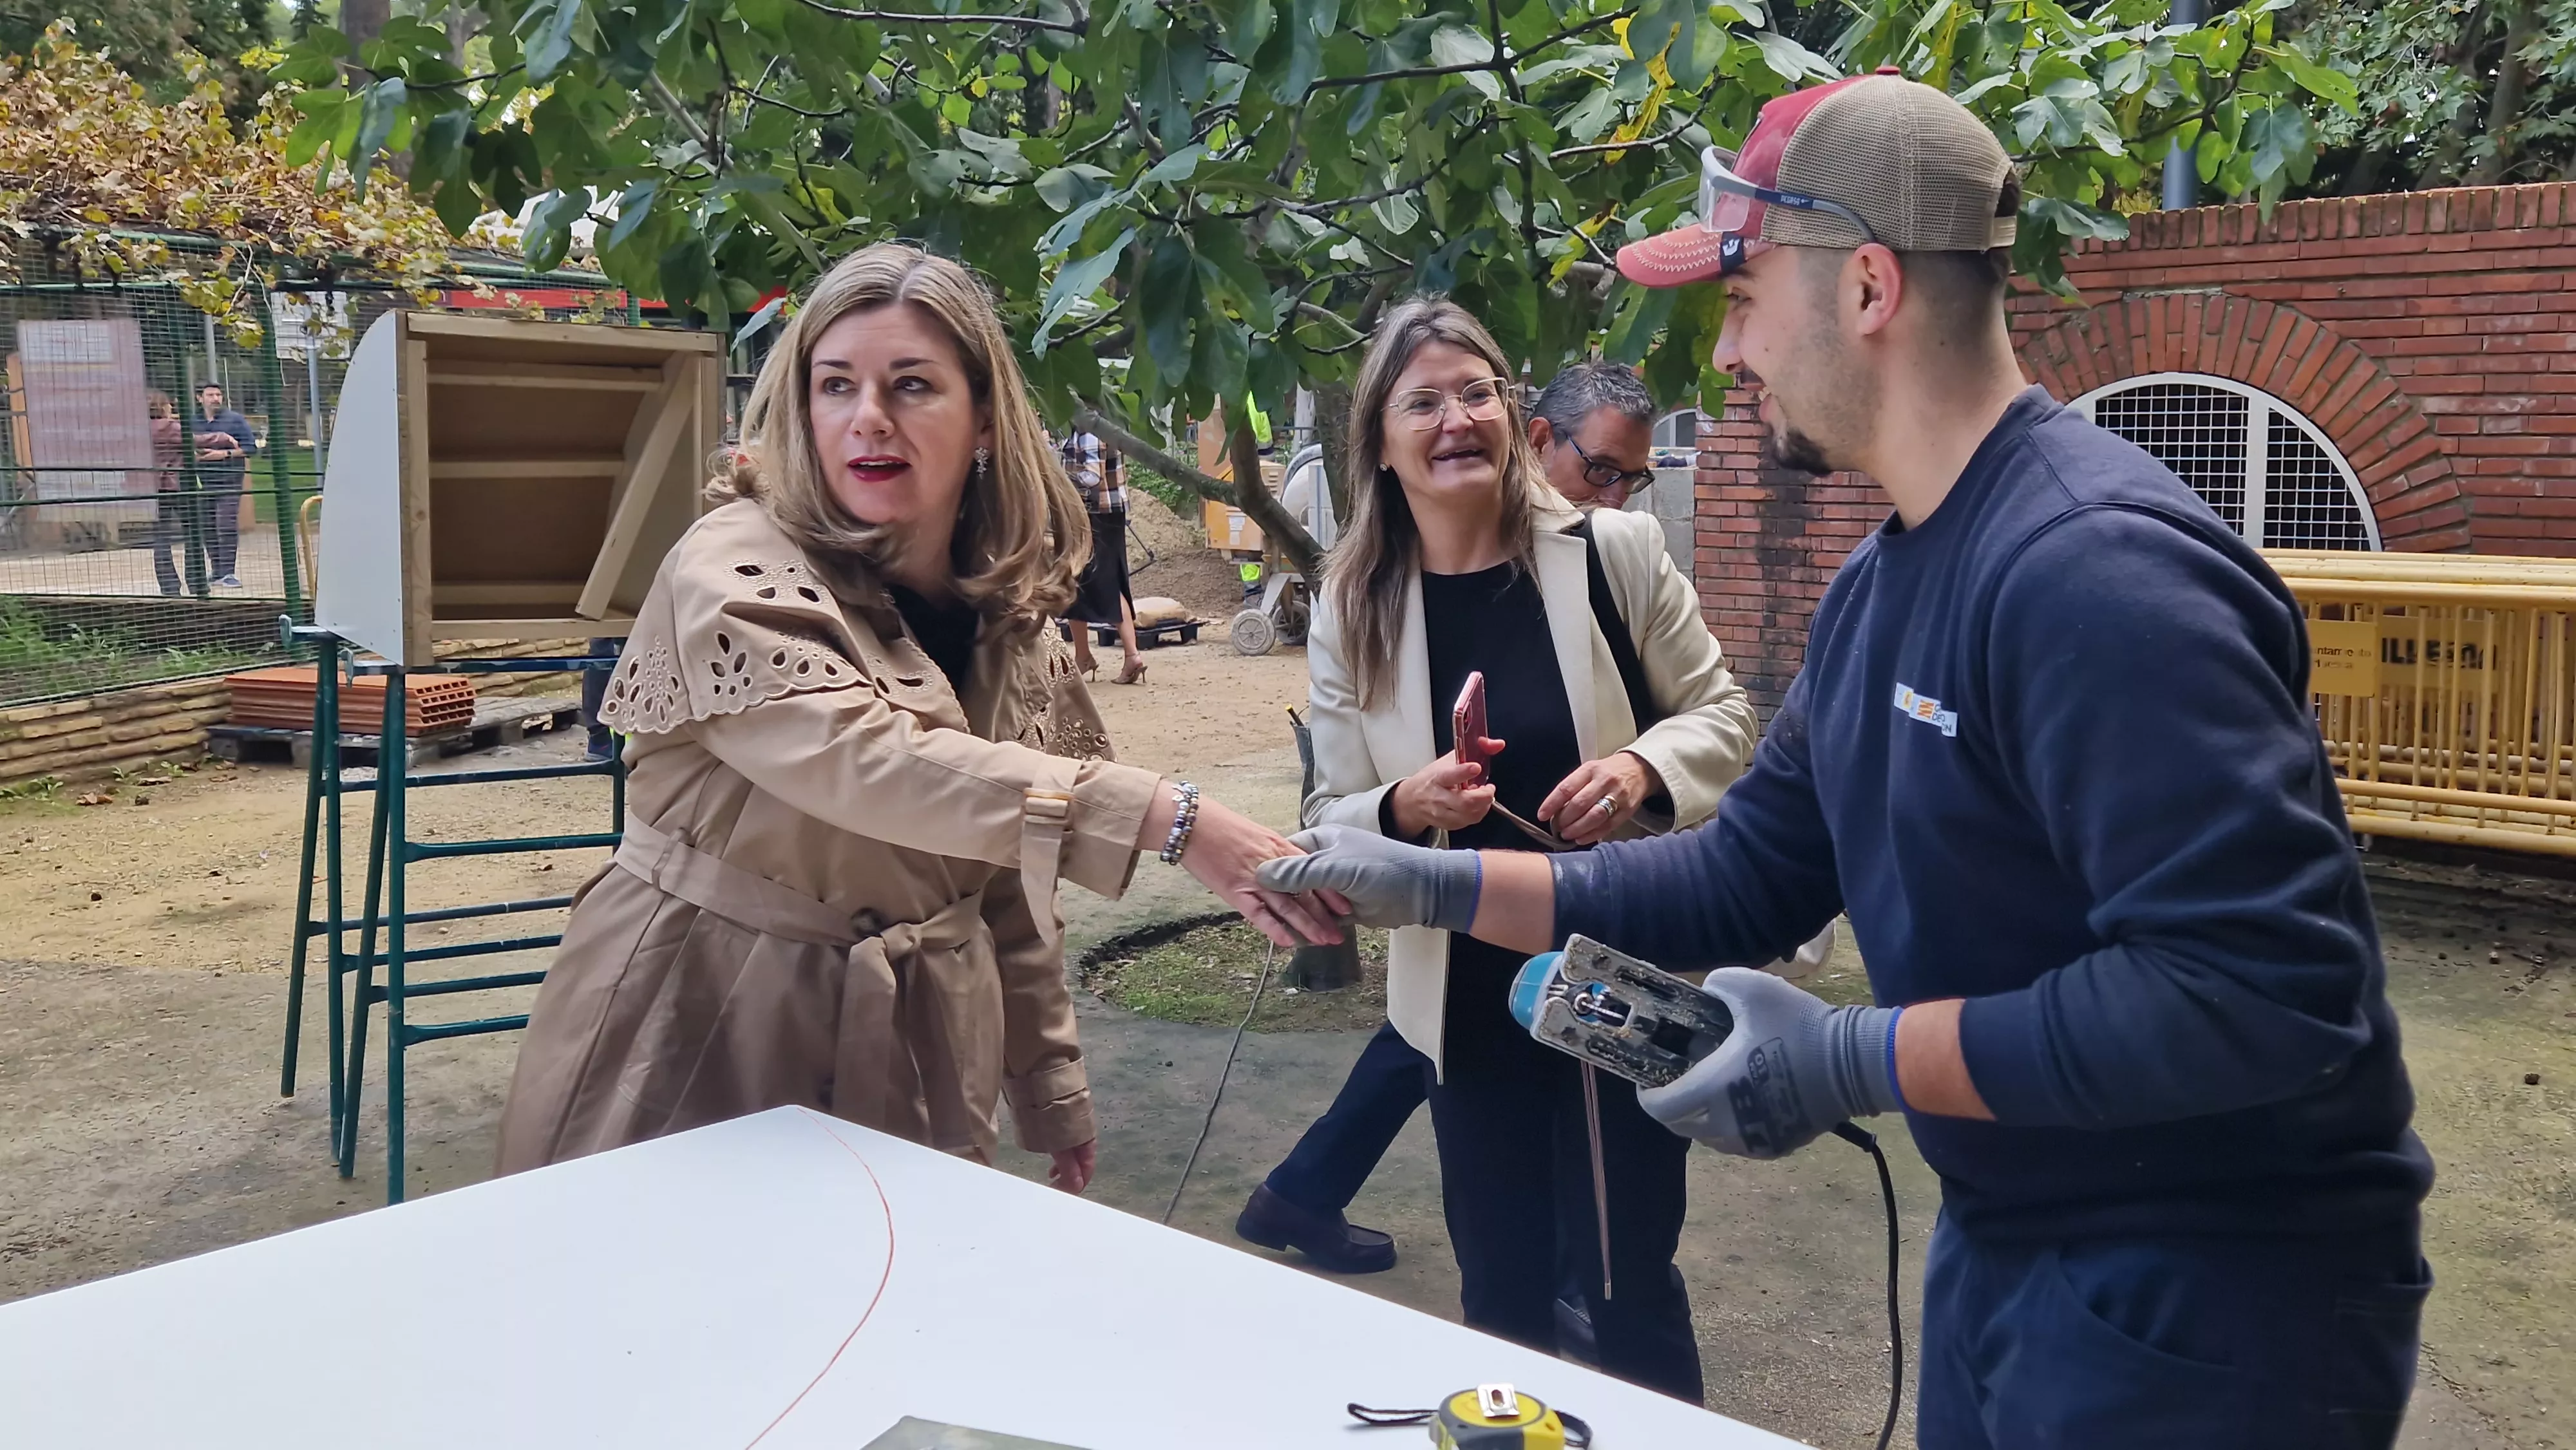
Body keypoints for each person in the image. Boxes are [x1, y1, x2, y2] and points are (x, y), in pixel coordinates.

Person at [1260, 72, 2434, 1450]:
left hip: (2211, 1290)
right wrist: (1429, 882)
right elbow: (1740, 874)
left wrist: (1852, 1058)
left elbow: (2256, 996)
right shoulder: (1882, 585)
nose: (1730, 347)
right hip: (2011, 1232)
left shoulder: (2093, 573)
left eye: (1743, 295)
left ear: (1866, 287)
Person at [496, 243, 1345, 1184]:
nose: (869, 419)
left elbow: (1008, 884)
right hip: (697, 1027)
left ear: (983, 418)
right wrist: (1167, 819)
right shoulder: (732, 566)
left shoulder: (1006, 610)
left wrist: (1049, 1083)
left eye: (911, 386)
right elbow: (865, 760)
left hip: (917, 1046)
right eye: (835, 386)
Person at [1255, 298, 1757, 1403]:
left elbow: (1723, 715)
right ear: (1380, 441)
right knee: (1502, 1301)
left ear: (1512, 411)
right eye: (1421, 401)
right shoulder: (1354, 600)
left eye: (1476, 391)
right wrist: (1409, 804)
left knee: (1630, 1291)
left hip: (1617, 978)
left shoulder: (1612, 552)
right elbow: (1334, 813)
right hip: (1466, 1003)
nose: (1455, 419)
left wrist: (1640, 772)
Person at [1060, 429, 1146, 684]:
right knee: (1079, 580)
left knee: (1098, 581)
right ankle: (1085, 655)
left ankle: (1130, 656)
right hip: (1102, 514)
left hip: (1095, 514)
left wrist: (1058, 476)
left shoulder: (1090, 431)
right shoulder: (1097, 425)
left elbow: (1092, 477)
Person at [1528, 362, 1658, 511]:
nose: (1614, 504)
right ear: (1541, 442)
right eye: (1599, 469)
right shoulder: (1498, 525)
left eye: (1631, 478)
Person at [191, 382, 256, 590]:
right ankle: (217, 571)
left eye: (219, 394)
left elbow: (250, 448)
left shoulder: (235, 420)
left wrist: (225, 454)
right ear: (199, 398)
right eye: (210, 395)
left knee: (226, 525)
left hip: (229, 480)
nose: (216, 399)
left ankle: (228, 572)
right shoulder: (192, 421)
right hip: (203, 482)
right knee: (207, 526)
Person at [143, 391, 189, 598]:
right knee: (194, 533)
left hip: (151, 488)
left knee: (161, 537)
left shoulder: (141, 430)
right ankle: (196, 581)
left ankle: (169, 587)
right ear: (164, 407)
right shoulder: (171, 427)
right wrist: (224, 438)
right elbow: (197, 440)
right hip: (174, 486)